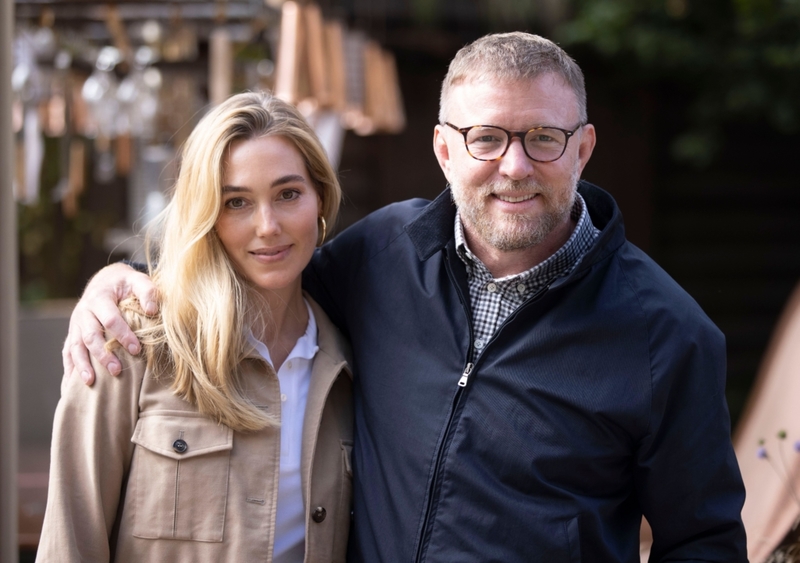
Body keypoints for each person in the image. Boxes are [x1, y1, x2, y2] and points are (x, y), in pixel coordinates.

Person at [63, 33, 747, 562]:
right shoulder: (381, 255)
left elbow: (704, 540)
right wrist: (120, 278)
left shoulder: (667, 334)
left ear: (583, 148)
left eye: (543, 137)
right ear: (444, 150)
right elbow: (254, 256)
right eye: (486, 138)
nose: (515, 166)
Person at [39, 91, 353, 562]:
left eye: (288, 194)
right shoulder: (131, 345)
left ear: (320, 199)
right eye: (237, 202)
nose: (267, 226)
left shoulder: (350, 365)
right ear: (206, 215)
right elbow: (70, 542)